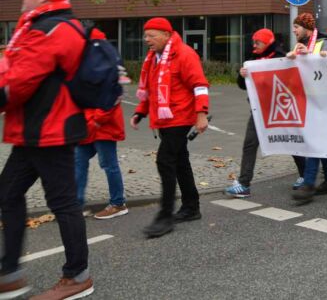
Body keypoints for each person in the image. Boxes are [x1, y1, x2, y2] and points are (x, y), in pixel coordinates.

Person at [0, 0, 94, 299]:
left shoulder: (49, 30)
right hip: (35, 131)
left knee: (63, 201)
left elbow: (18, 83)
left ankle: (77, 275)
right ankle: (9, 272)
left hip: (50, 130)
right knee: (8, 192)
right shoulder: (47, 26)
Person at [131, 17, 210, 239]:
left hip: (180, 118)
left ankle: (165, 216)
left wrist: (201, 114)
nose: (147, 39)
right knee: (180, 161)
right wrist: (140, 112)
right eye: (145, 35)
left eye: (152, 35)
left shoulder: (184, 54)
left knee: (164, 161)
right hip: (164, 119)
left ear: (166, 35)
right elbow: (151, 90)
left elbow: (199, 85)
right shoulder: (154, 58)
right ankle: (191, 207)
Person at [225, 29, 300, 199]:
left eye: (257, 42)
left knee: (291, 140)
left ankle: (304, 175)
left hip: (279, 108)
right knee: (250, 144)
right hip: (259, 110)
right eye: (254, 42)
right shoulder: (253, 59)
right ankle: (244, 184)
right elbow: (243, 85)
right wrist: (241, 75)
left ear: (266, 42)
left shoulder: (281, 56)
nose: (254, 45)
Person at [75, 29, 128, 220]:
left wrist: (95, 120)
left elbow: (112, 98)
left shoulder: (104, 64)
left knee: (108, 164)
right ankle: (76, 204)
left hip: (102, 126)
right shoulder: (95, 62)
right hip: (92, 125)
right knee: (79, 162)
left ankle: (118, 202)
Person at [288, 13, 327, 203]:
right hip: (310, 100)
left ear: (307, 29)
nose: (294, 30)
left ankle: (308, 183)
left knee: (314, 142)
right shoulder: (300, 45)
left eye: (297, 27)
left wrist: (307, 55)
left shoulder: (324, 43)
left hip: (325, 101)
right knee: (321, 141)